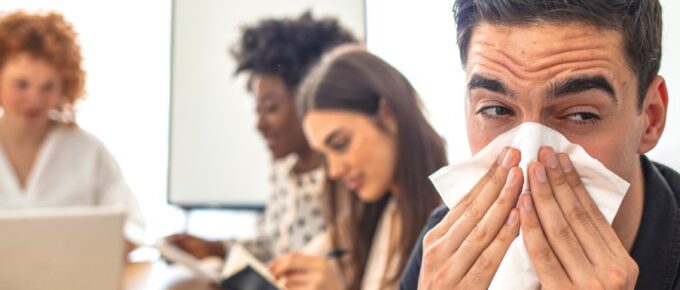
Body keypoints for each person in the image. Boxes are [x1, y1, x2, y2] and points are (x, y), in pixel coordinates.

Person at [400, 0, 677, 289]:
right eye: (496, 110)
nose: (530, 160)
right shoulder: (443, 247)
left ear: (651, 118)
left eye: (580, 115)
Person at [165, 12, 356, 262]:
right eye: (257, 108)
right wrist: (215, 249)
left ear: (310, 99)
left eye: (271, 108)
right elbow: (273, 245)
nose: (259, 124)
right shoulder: (282, 166)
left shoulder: (346, 175)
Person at [267, 45, 448, 290]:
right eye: (324, 156)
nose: (334, 171)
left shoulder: (447, 222)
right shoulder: (364, 215)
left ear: (388, 115)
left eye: (340, 144)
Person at [0, 11, 144, 252]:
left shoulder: (88, 151)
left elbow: (132, 226)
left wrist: (92, 249)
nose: (34, 99)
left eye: (48, 86)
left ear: (65, 84)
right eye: (21, 85)